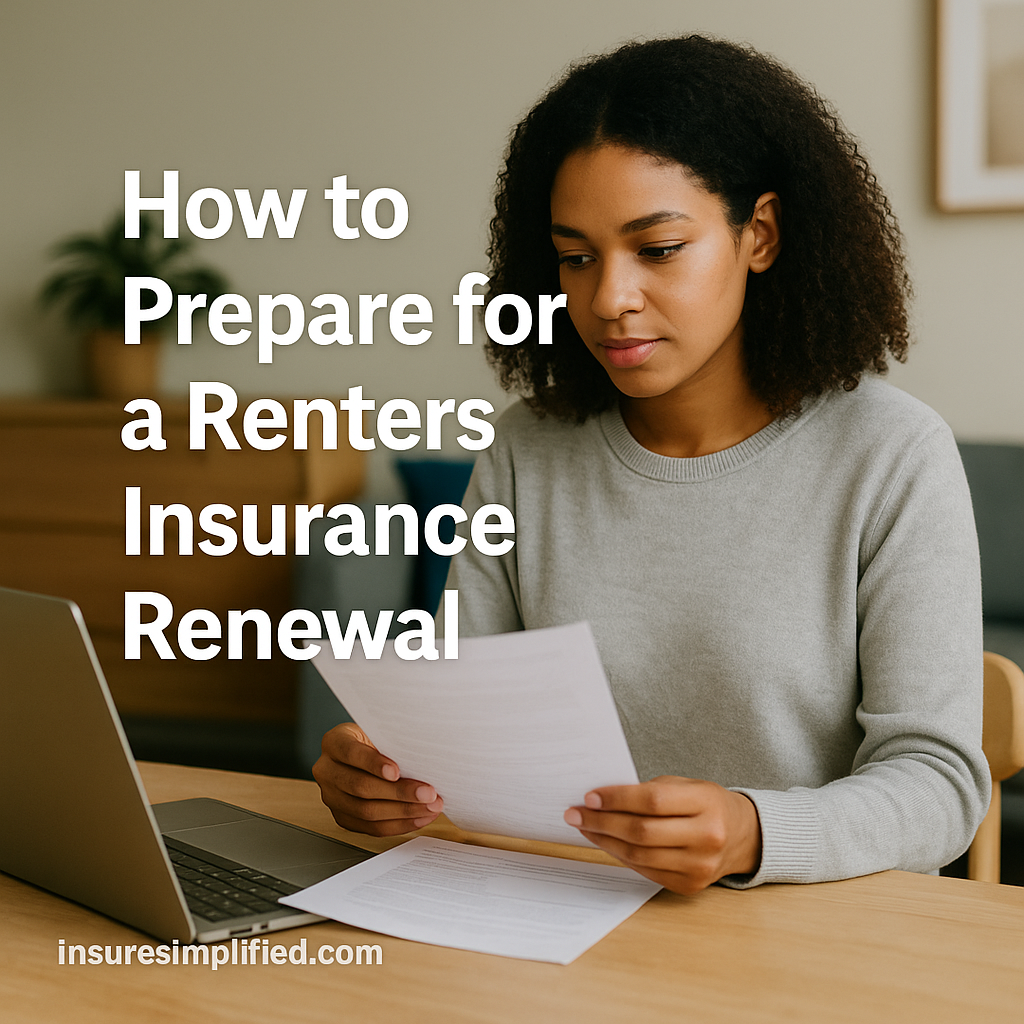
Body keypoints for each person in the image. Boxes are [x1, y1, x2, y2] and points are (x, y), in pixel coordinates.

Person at [313, 35, 989, 894]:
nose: (608, 299)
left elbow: (940, 786)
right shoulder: (526, 450)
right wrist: (380, 774)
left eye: (658, 248)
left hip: (816, 941)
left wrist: (753, 831)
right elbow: (459, 725)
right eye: (576, 256)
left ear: (762, 235)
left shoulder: (890, 455)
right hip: (556, 915)